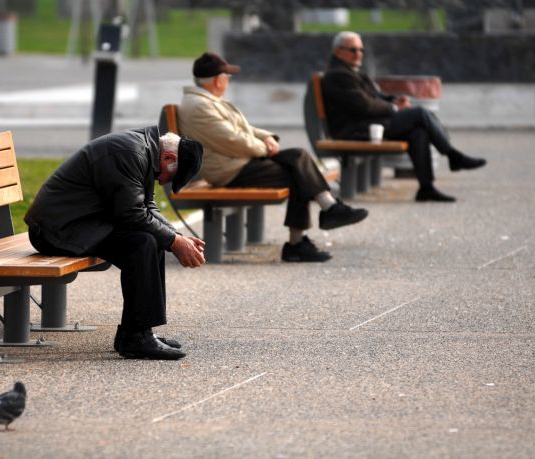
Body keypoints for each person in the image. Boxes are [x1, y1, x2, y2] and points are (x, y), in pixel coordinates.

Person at [24, 127, 204, 360]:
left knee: (152, 239)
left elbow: (146, 206)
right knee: (142, 243)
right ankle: (136, 337)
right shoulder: (128, 153)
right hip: (56, 230)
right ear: (169, 158)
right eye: (171, 177)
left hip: (83, 224)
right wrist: (174, 241)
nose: (163, 182)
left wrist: (175, 235)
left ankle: (139, 332)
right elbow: (131, 214)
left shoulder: (143, 151)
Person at [177, 51, 369, 263]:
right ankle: (306, 233)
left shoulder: (206, 101)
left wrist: (267, 137)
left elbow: (244, 130)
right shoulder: (199, 106)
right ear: (216, 80)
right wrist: (264, 148)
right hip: (229, 171)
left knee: (298, 158)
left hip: (238, 162)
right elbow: (231, 139)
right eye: (226, 77)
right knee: (298, 173)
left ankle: (326, 213)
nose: (228, 81)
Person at [322, 31, 487, 202]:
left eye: (361, 50)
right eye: (353, 50)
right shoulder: (338, 75)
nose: (358, 54)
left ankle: (426, 188)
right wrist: (394, 108)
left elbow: (375, 97)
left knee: (418, 132)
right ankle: (453, 155)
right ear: (338, 52)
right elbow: (363, 105)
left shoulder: (349, 72)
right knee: (420, 113)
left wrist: (394, 100)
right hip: (355, 129)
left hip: (368, 124)